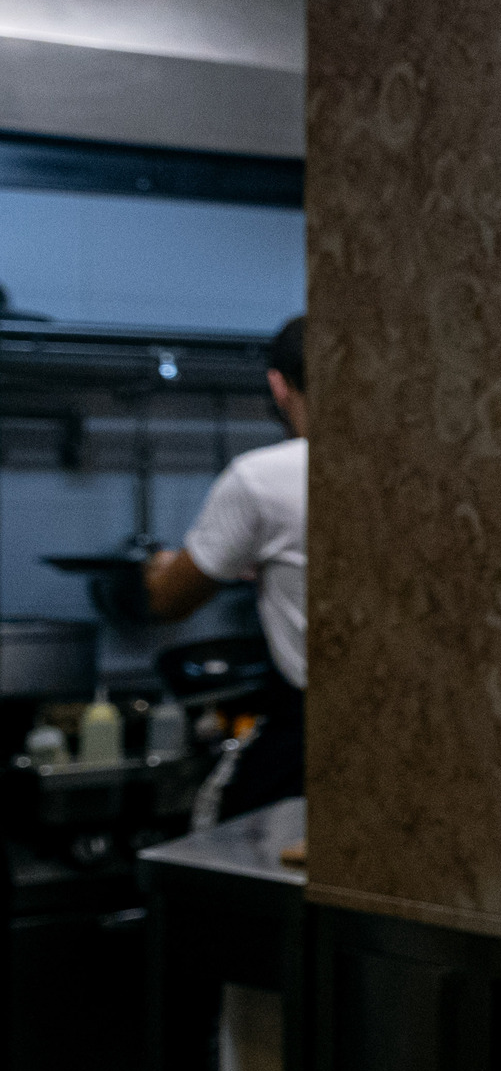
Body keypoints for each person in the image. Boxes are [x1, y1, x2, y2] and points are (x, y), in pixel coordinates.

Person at [145, 315, 307, 817]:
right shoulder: (417, 467)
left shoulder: (262, 478)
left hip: (310, 732)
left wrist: (160, 565)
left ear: (277, 384)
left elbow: (169, 600)